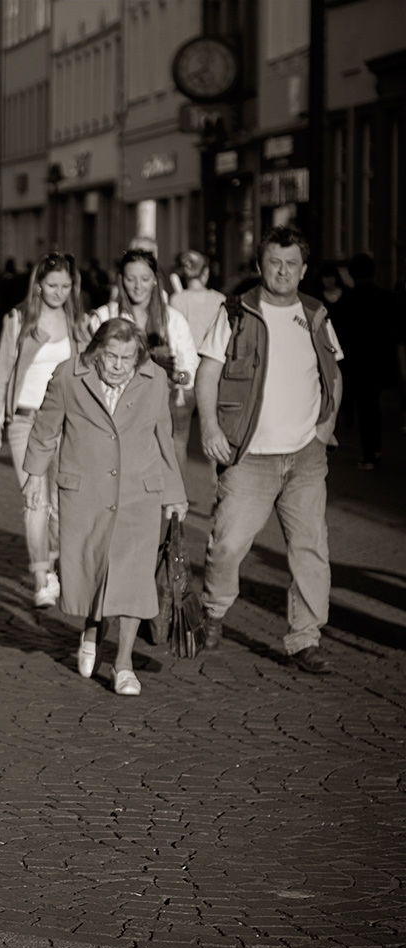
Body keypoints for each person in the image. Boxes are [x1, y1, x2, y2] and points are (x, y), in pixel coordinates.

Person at [196, 226, 343, 674]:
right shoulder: (236, 312)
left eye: (291, 264)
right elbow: (208, 372)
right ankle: (214, 611)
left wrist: (325, 428)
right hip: (249, 456)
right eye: (274, 263)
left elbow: (333, 373)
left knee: (310, 548)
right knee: (227, 544)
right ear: (261, 266)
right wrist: (210, 426)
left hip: (305, 456)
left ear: (302, 269)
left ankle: (305, 638)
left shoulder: (316, 314)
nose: (283, 271)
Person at [22, 318, 188, 696]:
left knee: (132, 576)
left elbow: (165, 437)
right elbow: (46, 429)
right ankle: (92, 628)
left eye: (127, 358)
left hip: (138, 493)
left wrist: (175, 494)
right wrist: (33, 477)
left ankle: (124, 663)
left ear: (138, 356)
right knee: (95, 570)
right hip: (87, 493)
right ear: (96, 351)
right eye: (111, 355)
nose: (117, 365)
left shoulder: (155, 380)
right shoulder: (69, 375)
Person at [0, 252, 89, 609]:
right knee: (34, 501)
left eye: (65, 286)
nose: (58, 292)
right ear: (38, 284)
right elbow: (2, 371)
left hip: (67, 423)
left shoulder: (78, 323)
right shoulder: (20, 319)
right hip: (25, 421)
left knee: (61, 504)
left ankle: (53, 559)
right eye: (52, 285)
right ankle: (42, 576)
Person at [90, 248, 199, 392]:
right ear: (121, 279)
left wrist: (175, 375)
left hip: (160, 403)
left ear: (155, 279)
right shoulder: (104, 316)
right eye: (130, 279)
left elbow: (190, 372)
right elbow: (90, 364)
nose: (138, 286)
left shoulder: (174, 319)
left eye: (145, 279)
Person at [169, 250, 226, 472]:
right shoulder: (220, 300)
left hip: (187, 376)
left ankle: (179, 494)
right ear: (206, 273)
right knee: (215, 434)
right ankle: (216, 495)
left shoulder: (177, 300)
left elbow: (174, 337)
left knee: (179, 437)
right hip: (213, 376)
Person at [340, 253, 396, 469]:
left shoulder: (347, 301)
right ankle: (376, 448)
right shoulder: (386, 298)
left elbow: (340, 333)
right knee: (372, 405)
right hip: (379, 359)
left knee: (365, 406)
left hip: (356, 361)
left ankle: (369, 452)